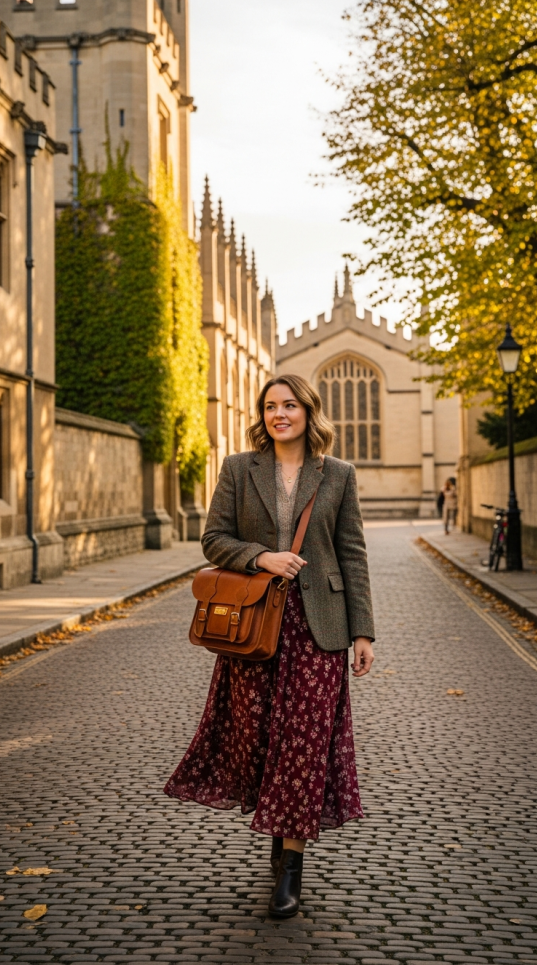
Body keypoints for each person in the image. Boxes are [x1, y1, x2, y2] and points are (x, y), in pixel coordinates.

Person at [164, 373, 375, 919]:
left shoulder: (339, 475)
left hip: (319, 626)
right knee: (259, 738)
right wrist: (263, 558)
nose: (279, 414)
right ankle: (278, 844)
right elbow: (213, 539)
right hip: (255, 625)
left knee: (303, 741)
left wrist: (363, 631)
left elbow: (351, 553)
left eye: (289, 405)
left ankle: (292, 868)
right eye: (270, 406)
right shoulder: (239, 468)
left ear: (309, 410)